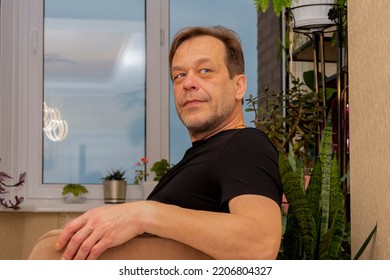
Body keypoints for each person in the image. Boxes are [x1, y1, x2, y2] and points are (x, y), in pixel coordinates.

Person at [54, 25, 283, 260]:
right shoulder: (200, 157)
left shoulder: (244, 144)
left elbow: (260, 243)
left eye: (205, 70)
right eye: (179, 75)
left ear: (238, 86)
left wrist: (143, 214)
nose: (188, 83)